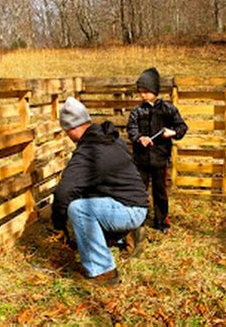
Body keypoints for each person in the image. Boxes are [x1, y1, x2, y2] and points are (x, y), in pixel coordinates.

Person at [51, 97, 149, 286]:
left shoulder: (89, 151)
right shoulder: (109, 137)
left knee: (79, 209)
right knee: (86, 198)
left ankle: (103, 271)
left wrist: (59, 223)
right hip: (136, 202)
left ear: (72, 129)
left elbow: (64, 191)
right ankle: (125, 235)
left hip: (130, 209)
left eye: (66, 132)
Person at [127, 67, 188, 232]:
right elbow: (131, 129)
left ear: (155, 90)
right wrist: (139, 138)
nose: (142, 95)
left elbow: (182, 127)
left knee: (160, 192)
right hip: (140, 160)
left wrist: (172, 132)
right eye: (140, 92)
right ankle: (138, 220)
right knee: (139, 191)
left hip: (160, 159)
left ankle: (162, 222)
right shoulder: (137, 111)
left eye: (146, 91)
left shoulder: (168, 109)